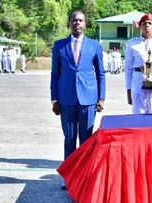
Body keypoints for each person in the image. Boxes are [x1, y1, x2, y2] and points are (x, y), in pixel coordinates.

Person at [50, 10, 106, 190]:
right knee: (69, 138)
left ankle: (85, 177)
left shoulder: (94, 45)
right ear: (69, 24)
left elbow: (100, 73)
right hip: (66, 99)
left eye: (81, 20)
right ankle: (69, 178)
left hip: (88, 99)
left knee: (86, 140)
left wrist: (101, 97)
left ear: (85, 24)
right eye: (74, 20)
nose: (77, 23)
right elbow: (54, 73)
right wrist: (54, 99)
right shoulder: (59, 46)